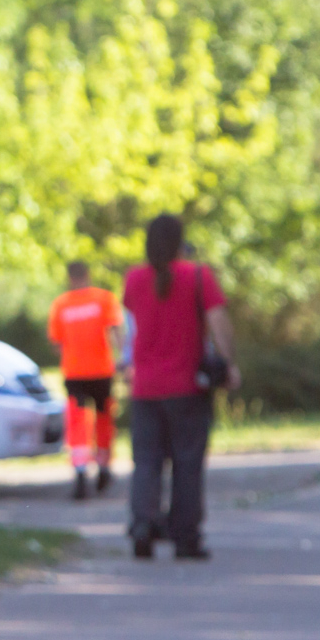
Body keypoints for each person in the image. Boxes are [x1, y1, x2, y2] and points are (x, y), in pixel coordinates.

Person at [122, 214, 239, 560]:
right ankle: (185, 537)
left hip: (145, 388)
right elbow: (219, 323)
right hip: (187, 387)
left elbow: (130, 327)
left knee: (146, 462)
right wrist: (229, 364)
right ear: (179, 241)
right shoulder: (198, 276)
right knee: (187, 463)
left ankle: (143, 526)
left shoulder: (134, 279)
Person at [48, 261, 124, 499]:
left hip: (75, 373)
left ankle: (80, 473)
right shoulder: (104, 299)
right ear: (88, 274)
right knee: (104, 419)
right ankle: (103, 468)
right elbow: (116, 331)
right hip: (102, 371)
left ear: (70, 277)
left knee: (78, 421)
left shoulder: (61, 304)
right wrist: (123, 359)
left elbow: (55, 341)